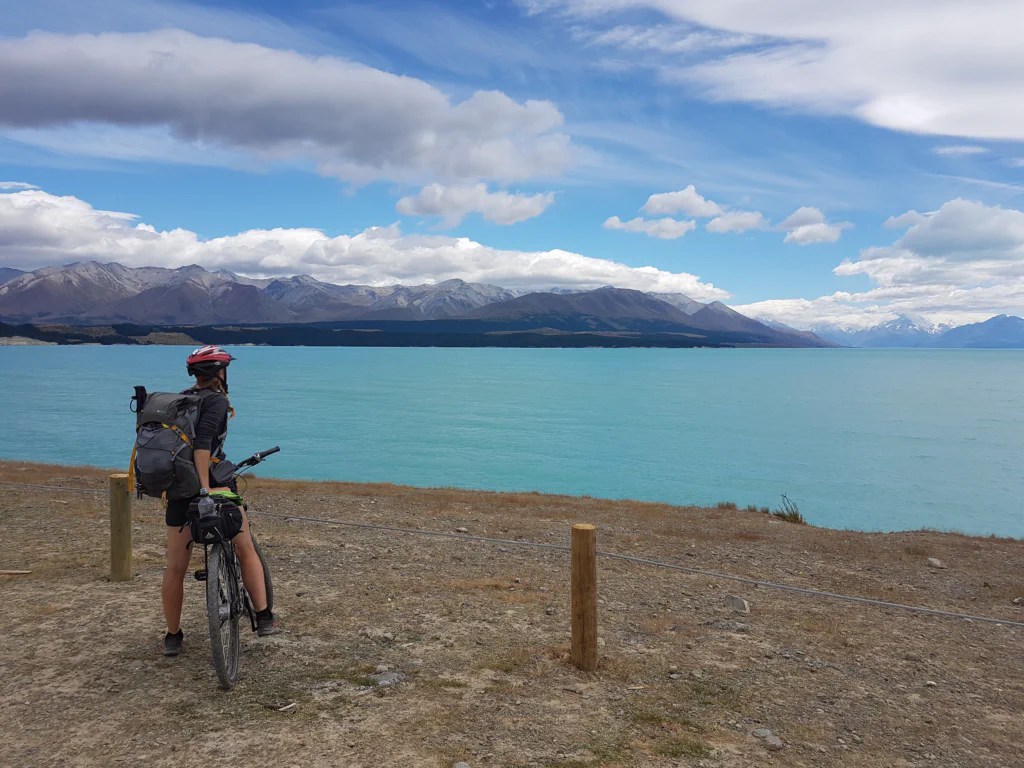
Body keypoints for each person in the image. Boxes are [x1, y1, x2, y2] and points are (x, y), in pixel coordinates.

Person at [162, 345, 278, 657]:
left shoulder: (181, 400)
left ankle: (173, 636)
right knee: (245, 547)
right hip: (211, 483)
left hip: (176, 490)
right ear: (220, 373)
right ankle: (264, 617)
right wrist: (204, 489)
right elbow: (202, 446)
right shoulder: (216, 401)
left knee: (175, 568)